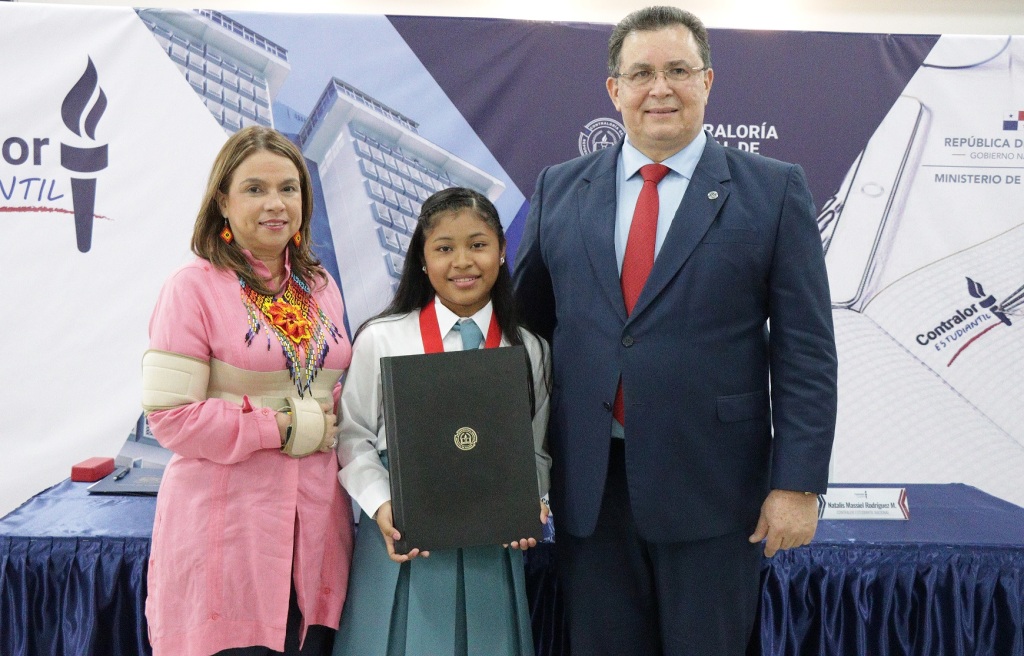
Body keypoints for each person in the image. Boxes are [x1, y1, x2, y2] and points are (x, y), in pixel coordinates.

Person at [512, 6, 839, 655]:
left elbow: (805, 351)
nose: (659, 88)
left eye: (678, 71)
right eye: (641, 73)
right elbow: (526, 336)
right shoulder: (559, 189)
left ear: (707, 81)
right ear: (614, 90)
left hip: (715, 494)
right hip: (590, 492)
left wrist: (798, 483)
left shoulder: (772, 191)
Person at [141, 125, 354, 656]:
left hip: (318, 532)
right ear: (222, 201)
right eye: (255, 189)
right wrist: (280, 428)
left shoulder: (321, 287)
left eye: (289, 188)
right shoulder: (192, 287)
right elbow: (169, 416)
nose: (275, 203)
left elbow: (336, 399)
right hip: (228, 535)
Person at [333, 187, 551, 656]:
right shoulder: (381, 338)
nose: (463, 262)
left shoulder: (528, 348)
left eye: (478, 245)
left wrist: (533, 502)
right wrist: (383, 505)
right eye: (444, 248)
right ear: (423, 258)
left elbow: (535, 448)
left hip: (494, 543)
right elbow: (352, 437)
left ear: (502, 250)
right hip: (403, 533)